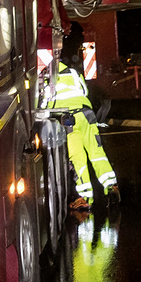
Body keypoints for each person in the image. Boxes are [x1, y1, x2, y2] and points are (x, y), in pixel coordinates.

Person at [48, 47, 117, 209]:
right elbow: (84, 91)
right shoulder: (72, 72)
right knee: (96, 152)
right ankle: (111, 187)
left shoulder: (47, 78)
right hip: (86, 114)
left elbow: (43, 104)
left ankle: (85, 198)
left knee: (77, 157)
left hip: (68, 119)